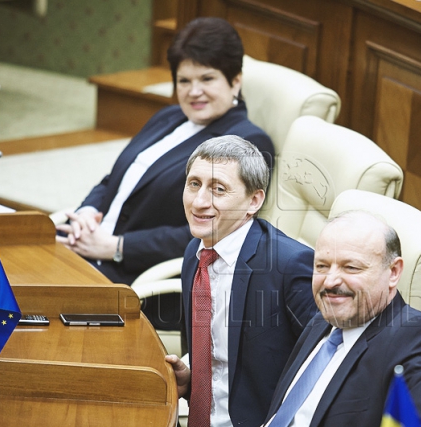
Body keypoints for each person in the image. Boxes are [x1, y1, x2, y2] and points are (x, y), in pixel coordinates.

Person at [160, 211, 421, 427]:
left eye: (351, 267)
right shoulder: (324, 323)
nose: (331, 281)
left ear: (394, 272)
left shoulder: (412, 338)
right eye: (322, 266)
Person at [56, 18, 274, 330]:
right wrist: (87, 213)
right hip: (87, 248)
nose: (193, 91)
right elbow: (114, 179)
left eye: (207, 78)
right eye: (184, 81)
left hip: (139, 278)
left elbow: (216, 230)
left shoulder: (245, 142)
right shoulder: (169, 116)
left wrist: (116, 247)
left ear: (235, 80)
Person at [164, 135, 317, 427]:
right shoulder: (197, 250)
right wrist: (191, 378)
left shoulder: (290, 266)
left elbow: (319, 375)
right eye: (194, 184)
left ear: (254, 201)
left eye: (218, 189)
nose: (199, 202)